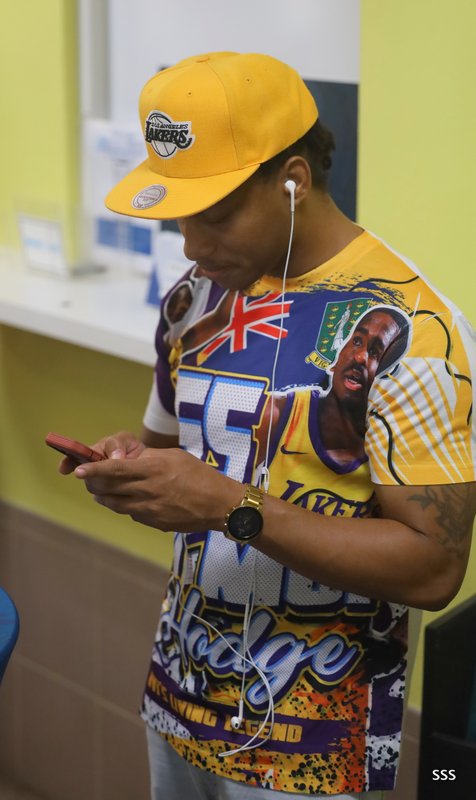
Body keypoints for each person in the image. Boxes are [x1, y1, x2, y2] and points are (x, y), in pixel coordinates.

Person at [59, 52, 476, 799]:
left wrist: (229, 506)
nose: (191, 244)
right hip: (180, 696)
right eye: (179, 214)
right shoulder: (195, 299)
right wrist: (129, 463)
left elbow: (433, 568)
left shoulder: (411, 330)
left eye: (215, 215)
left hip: (315, 744)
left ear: (294, 180)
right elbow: (170, 451)